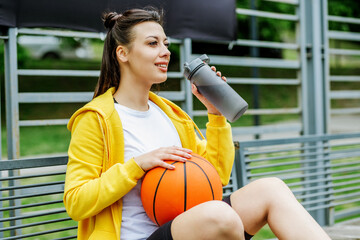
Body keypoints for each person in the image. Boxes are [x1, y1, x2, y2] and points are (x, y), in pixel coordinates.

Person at [63, 7, 331, 240]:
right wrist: (137, 165)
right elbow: (76, 202)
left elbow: (215, 176)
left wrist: (215, 115)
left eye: (166, 44)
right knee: (219, 215)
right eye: (153, 43)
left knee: (270, 189)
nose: (165, 52)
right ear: (122, 53)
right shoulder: (95, 119)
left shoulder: (169, 114)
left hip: (188, 224)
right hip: (140, 236)